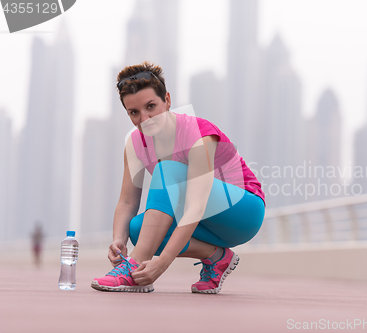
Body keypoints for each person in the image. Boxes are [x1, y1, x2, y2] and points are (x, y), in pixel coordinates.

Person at [91, 62, 266, 293]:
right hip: (203, 220)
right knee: (136, 228)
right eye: (134, 112)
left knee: (167, 170)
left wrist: (162, 263)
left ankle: (132, 268)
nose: (144, 118)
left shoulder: (199, 133)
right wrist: (118, 240)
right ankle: (217, 258)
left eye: (151, 106)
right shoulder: (135, 144)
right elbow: (127, 202)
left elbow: (196, 205)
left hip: (243, 212)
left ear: (168, 100)